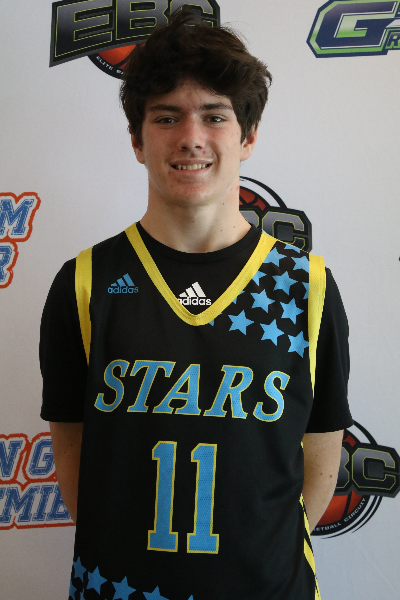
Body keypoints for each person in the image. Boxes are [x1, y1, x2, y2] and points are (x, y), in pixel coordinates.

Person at [40, 8, 352, 600]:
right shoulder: (86, 282)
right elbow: (75, 456)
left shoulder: (304, 286)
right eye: (166, 117)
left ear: (248, 137)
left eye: (215, 115)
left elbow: (319, 459)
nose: (191, 137)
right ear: (137, 140)